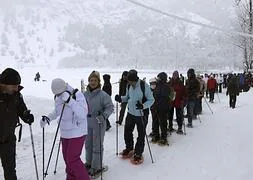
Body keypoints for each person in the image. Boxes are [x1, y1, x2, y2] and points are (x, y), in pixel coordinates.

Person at [40, 78, 90, 180]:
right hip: (65, 132)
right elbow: (57, 110)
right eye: (56, 95)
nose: (58, 96)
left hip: (77, 131)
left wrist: (70, 101)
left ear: (64, 88)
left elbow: (83, 113)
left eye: (59, 94)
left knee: (72, 159)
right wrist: (48, 118)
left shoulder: (77, 95)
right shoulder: (59, 96)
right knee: (67, 160)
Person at [0, 68, 34, 180]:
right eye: (14, 85)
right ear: (4, 84)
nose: (16, 88)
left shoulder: (17, 95)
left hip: (8, 140)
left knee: (10, 171)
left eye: (17, 85)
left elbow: (22, 110)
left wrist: (27, 116)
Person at [115, 69, 154, 163]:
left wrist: (143, 106)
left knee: (141, 135)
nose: (130, 83)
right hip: (130, 113)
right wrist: (121, 98)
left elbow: (151, 100)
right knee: (127, 132)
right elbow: (128, 97)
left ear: (135, 79)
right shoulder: (129, 86)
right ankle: (129, 148)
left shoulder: (144, 86)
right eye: (129, 81)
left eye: (131, 81)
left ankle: (138, 153)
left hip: (141, 114)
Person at [83, 71, 114, 177]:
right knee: (88, 144)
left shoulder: (103, 95)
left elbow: (110, 107)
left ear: (98, 82)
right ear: (89, 81)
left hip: (98, 122)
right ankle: (89, 163)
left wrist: (104, 116)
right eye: (91, 80)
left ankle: (97, 166)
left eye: (95, 80)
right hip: (87, 122)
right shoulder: (84, 94)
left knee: (97, 145)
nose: (93, 82)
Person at [152, 72, 174, 145]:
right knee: (155, 122)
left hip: (163, 107)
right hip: (155, 106)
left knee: (163, 123)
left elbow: (171, 97)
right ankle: (156, 135)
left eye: (159, 78)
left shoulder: (167, 87)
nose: (157, 79)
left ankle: (163, 137)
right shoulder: (156, 86)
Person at [169, 70, 186, 134]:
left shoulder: (180, 82)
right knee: (170, 115)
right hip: (171, 102)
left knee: (179, 115)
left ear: (178, 76)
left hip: (179, 102)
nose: (174, 76)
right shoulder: (170, 82)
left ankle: (180, 127)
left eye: (176, 75)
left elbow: (184, 92)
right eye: (173, 75)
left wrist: (183, 100)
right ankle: (170, 127)